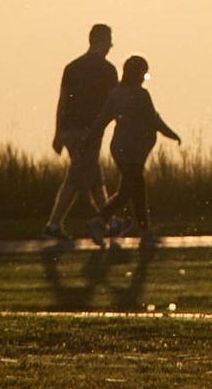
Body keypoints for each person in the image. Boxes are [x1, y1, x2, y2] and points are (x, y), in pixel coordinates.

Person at [93, 54, 181, 242]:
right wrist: (172, 134)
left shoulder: (116, 93)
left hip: (120, 148)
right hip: (133, 149)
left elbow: (101, 120)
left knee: (130, 189)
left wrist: (89, 138)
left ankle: (139, 228)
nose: (144, 76)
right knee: (133, 189)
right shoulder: (141, 94)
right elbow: (154, 119)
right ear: (138, 73)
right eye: (144, 72)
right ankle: (104, 221)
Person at [45, 22, 118, 241]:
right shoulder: (108, 70)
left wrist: (58, 133)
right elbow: (112, 103)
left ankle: (110, 221)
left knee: (94, 177)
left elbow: (62, 103)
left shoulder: (72, 68)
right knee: (75, 179)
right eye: (109, 42)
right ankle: (53, 224)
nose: (110, 47)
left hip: (70, 131)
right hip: (90, 132)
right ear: (102, 41)